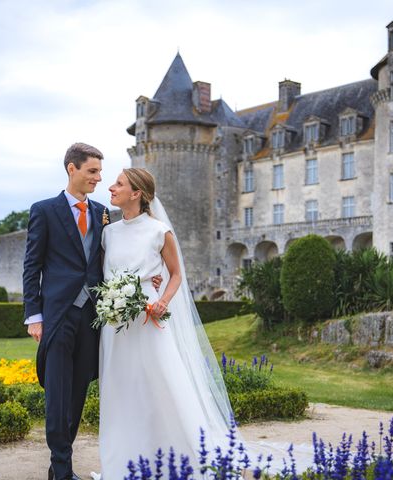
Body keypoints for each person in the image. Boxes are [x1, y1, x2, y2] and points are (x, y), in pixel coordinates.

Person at [95, 168, 236, 480]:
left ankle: (178, 453)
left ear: (137, 193)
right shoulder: (107, 233)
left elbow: (175, 274)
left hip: (149, 317)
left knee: (161, 382)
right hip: (114, 323)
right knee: (119, 387)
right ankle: (121, 462)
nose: (111, 187)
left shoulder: (159, 231)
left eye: (119, 184)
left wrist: (162, 301)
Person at [23, 142, 108, 480]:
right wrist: (34, 316)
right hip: (57, 316)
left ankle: (58, 464)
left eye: (100, 172)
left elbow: (106, 260)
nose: (98, 178)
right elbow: (32, 266)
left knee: (77, 395)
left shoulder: (103, 211)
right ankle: (62, 470)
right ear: (72, 169)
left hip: (92, 317)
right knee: (57, 396)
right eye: (92, 171)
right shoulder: (44, 210)